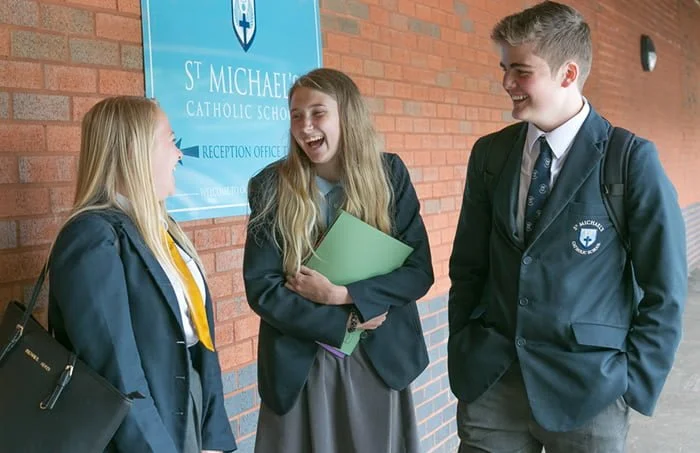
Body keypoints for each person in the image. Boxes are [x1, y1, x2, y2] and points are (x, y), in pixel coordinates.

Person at [447, 2, 687, 452]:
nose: (506, 83)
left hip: (588, 391)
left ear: (568, 74)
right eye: (504, 68)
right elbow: (469, 266)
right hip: (493, 382)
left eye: (521, 71)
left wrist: (631, 383)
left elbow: (665, 290)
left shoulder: (630, 159)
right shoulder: (490, 155)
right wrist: (464, 346)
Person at [243, 68, 434, 453]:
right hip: (302, 363)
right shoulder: (270, 186)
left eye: (318, 113)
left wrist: (343, 295)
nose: (305, 126)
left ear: (346, 115)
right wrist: (339, 320)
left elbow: (419, 272)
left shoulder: (389, 174)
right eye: (296, 115)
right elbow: (263, 289)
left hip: (378, 358)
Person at [48, 96, 237, 453]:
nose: (179, 154)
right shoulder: (91, 237)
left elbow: (201, 343)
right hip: (142, 434)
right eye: (170, 140)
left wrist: (214, 436)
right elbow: (117, 372)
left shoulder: (161, 230)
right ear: (136, 150)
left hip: (184, 414)